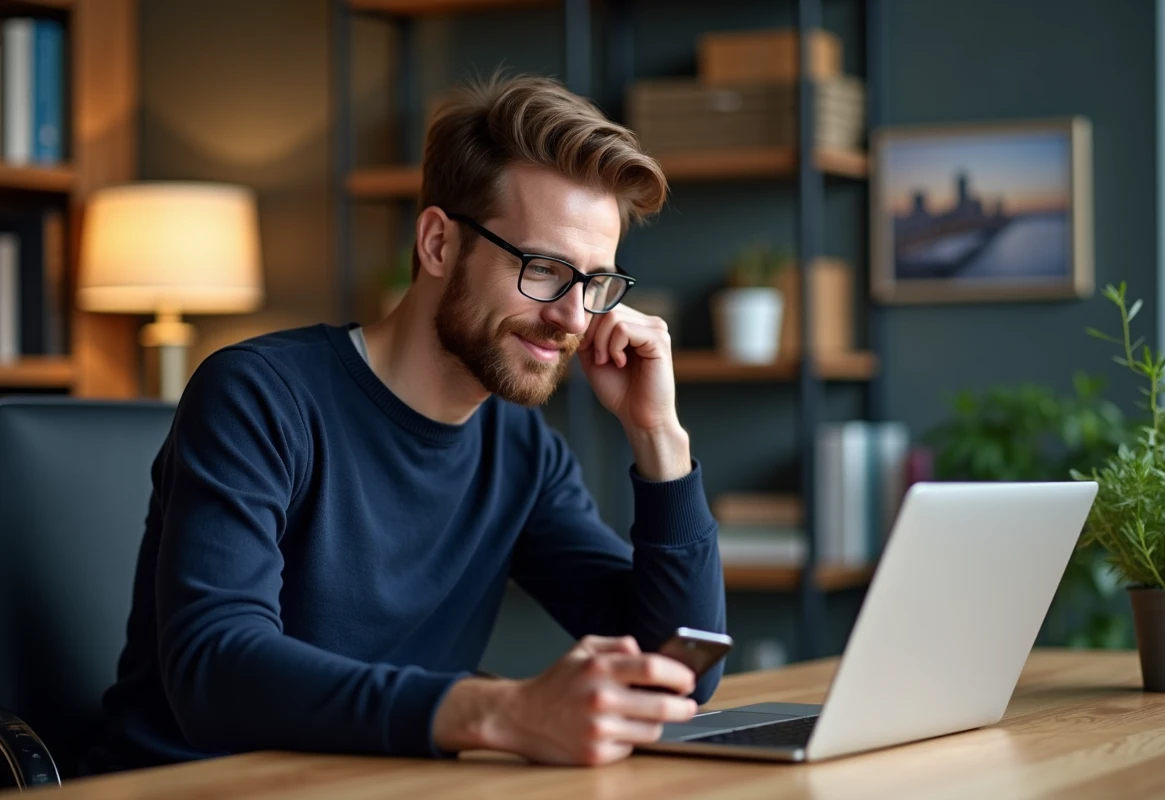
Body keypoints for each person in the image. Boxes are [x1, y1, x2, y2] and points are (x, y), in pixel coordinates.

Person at [82, 71, 726, 774]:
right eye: (544, 269)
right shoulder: (259, 396)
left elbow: (679, 671)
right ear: (438, 244)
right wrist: (497, 712)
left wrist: (659, 437)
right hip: (194, 785)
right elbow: (214, 670)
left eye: (595, 282)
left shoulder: (521, 451)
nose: (573, 318)